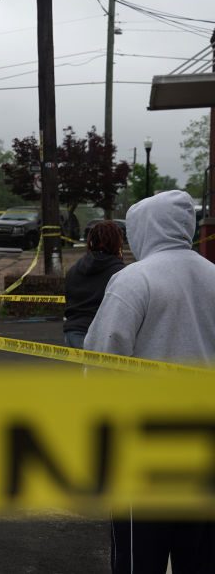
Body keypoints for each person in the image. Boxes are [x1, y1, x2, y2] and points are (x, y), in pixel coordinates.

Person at [85, 191, 215, 573]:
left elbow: (101, 361)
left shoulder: (133, 280)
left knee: (138, 558)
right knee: (201, 557)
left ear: (144, 229)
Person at [62, 220, 124, 348]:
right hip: (101, 335)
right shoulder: (120, 273)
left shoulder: (74, 269)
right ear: (117, 242)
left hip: (72, 332)